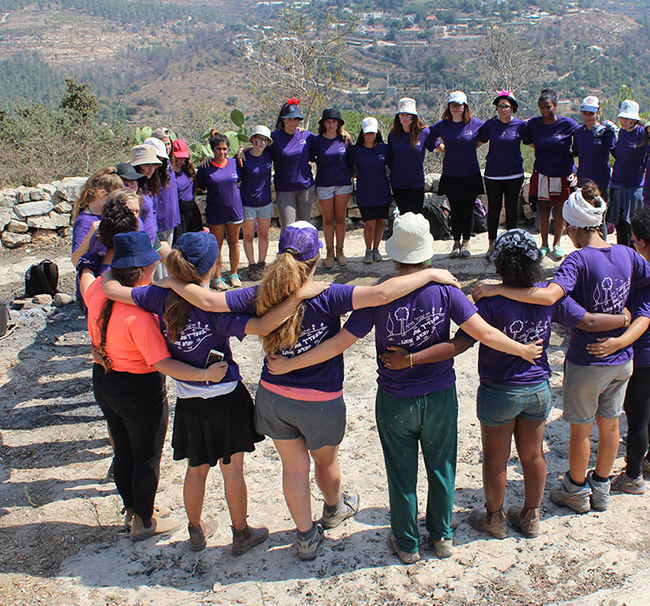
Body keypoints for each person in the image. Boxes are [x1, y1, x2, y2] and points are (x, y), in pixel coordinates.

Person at [157, 221, 461, 561]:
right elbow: (380, 294)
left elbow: (211, 301)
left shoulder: (259, 293)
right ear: (316, 260)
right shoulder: (328, 294)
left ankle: (305, 537)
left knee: (294, 469)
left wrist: (171, 276)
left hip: (274, 396)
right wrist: (431, 275)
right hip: (321, 400)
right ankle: (333, 509)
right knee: (326, 462)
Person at [275, 214, 541, 563]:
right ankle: (443, 536)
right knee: (442, 467)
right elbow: (483, 333)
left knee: (401, 475)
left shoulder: (381, 295)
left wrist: (293, 362)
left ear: (394, 254)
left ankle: (407, 543)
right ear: (427, 253)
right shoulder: (445, 289)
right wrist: (522, 349)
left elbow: (341, 342)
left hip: (396, 398)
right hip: (440, 395)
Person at [381, 229, 627, 539]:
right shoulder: (548, 296)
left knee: (496, 459)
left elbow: (460, 343)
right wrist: (623, 320)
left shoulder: (490, 301)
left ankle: (494, 518)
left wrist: (414, 357)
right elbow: (586, 320)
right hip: (537, 388)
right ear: (535, 263)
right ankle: (531, 515)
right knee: (534, 455)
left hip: (500, 389)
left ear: (499, 265)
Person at [473, 184, 650, 515]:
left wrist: (497, 289)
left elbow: (549, 297)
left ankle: (575, 488)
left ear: (573, 227)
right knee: (611, 422)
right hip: (623, 358)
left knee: (581, 429)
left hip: (588, 359)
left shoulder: (577, 260)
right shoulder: (627, 253)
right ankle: (601, 487)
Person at [101, 231, 304, 555]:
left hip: (189, 399)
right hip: (225, 397)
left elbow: (111, 288)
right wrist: (298, 298)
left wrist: (105, 264)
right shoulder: (217, 311)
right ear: (211, 269)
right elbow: (264, 326)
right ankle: (241, 533)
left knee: (195, 470)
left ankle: (195, 531)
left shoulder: (157, 298)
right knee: (232, 471)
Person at [81, 231, 229, 541]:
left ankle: (132, 509)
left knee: (122, 449)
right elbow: (163, 363)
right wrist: (204, 376)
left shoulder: (98, 288)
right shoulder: (140, 314)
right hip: (138, 387)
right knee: (146, 454)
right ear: (148, 267)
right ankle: (145, 521)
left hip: (104, 378)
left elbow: (95, 279)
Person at [587, 209, 650, 494]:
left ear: (639, 241)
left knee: (637, 419)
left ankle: (632, 477)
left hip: (646, 355)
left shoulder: (646, 279)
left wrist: (618, 343)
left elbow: (642, 319)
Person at [426, 91, 484, 258]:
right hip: (451, 174)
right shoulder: (443, 125)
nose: (456, 108)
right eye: (453, 105)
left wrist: (472, 147)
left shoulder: (475, 124)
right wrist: (441, 148)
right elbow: (429, 136)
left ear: (465, 107)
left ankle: (466, 242)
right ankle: (456, 241)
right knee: (455, 210)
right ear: (449, 107)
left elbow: (485, 136)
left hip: (471, 173)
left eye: (459, 105)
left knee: (468, 209)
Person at [525, 88, 579, 260]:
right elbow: (526, 136)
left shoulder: (567, 124)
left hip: (562, 173)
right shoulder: (534, 124)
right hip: (543, 172)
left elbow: (582, 135)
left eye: (548, 107)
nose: (545, 111)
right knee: (543, 209)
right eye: (542, 107)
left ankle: (557, 244)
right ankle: (543, 244)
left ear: (555, 106)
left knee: (559, 209)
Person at [477, 91, 530, 256]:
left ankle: (511, 244)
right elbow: (477, 142)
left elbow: (533, 143)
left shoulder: (521, 126)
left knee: (512, 210)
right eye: (500, 106)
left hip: (514, 174)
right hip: (493, 175)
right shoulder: (490, 125)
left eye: (506, 106)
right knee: (493, 209)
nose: (503, 110)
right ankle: (491, 244)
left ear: (512, 108)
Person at [196, 130, 243, 290]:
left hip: (234, 209)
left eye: (224, 149)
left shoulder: (235, 163)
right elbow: (200, 186)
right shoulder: (205, 167)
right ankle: (217, 277)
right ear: (212, 149)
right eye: (218, 149)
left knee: (234, 243)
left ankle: (234, 274)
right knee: (217, 245)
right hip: (215, 210)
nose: (221, 152)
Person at [310, 109, 353, 268]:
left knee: (340, 218)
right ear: (323, 124)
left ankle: (340, 250)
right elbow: (307, 155)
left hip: (343, 183)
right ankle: (329, 252)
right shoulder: (317, 141)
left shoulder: (345, 140)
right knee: (327, 220)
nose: (331, 125)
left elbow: (351, 159)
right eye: (328, 122)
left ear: (339, 124)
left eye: (334, 122)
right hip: (324, 184)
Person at [607, 100, 650, 249]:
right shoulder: (621, 133)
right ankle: (621, 251)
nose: (624, 121)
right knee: (619, 221)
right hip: (617, 182)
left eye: (627, 119)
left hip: (633, 185)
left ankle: (632, 254)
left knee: (631, 223)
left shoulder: (641, 134)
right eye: (622, 118)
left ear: (634, 119)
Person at [350, 117, 390, 263]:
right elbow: (350, 169)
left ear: (377, 133)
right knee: (369, 223)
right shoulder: (356, 151)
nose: (370, 136)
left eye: (372, 133)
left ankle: (376, 249)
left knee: (380, 222)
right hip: (365, 192)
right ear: (362, 134)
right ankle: (368, 250)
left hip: (382, 190)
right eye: (367, 133)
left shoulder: (384, 149)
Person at [271, 100, 316, 227]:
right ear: (283, 120)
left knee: (304, 226)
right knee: (288, 227)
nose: (292, 122)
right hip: (285, 189)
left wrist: (343, 134)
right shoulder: (274, 138)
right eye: (289, 119)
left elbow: (325, 142)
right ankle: (285, 248)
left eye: (295, 119)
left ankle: (305, 248)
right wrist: (243, 150)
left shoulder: (307, 136)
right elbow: (258, 148)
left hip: (305, 188)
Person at [239, 125, 275, 280]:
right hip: (248, 202)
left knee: (264, 234)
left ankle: (261, 263)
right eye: (259, 139)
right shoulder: (243, 157)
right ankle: (252, 264)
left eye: (265, 140)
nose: (261, 143)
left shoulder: (268, 156)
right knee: (248, 235)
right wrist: (242, 150)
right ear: (253, 139)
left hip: (265, 201)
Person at [71, 167, 123, 266]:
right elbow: (75, 260)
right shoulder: (85, 221)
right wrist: (92, 232)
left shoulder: (106, 215)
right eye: (114, 199)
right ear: (102, 193)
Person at [386, 98, 430, 214]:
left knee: (415, 218)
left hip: (416, 183)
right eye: (402, 114)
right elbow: (389, 157)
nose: (405, 118)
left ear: (413, 116)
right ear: (398, 117)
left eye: (408, 115)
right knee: (404, 216)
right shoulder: (393, 135)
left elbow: (438, 146)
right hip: (398, 183)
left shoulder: (424, 133)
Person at [573, 96, 616, 203]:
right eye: (585, 113)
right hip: (583, 181)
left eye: (591, 113)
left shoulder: (606, 133)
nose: (587, 117)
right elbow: (575, 152)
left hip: (602, 182)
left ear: (598, 113)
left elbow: (616, 153)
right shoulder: (578, 132)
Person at [146, 136, 179, 253]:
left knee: (167, 256)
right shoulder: (143, 179)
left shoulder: (168, 166)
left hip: (170, 217)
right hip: (153, 223)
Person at [170, 139, 203, 241]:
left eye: (182, 158)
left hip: (192, 210)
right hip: (178, 213)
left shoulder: (187, 169)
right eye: (177, 157)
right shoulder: (168, 173)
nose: (180, 161)